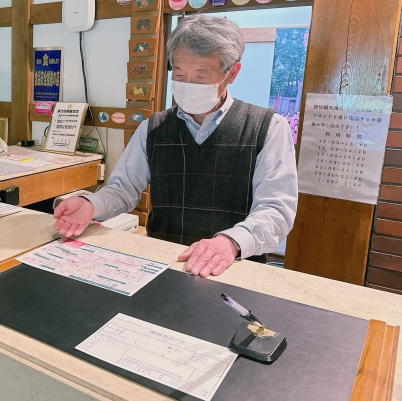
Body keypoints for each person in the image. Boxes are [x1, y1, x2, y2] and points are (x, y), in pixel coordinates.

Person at [53, 14, 298, 277]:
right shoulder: (154, 127)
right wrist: (91, 204)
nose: (187, 85)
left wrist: (230, 242)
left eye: (201, 77)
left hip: (232, 269)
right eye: (180, 74)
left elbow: (276, 210)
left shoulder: (267, 128)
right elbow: (123, 189)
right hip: (160, 265)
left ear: (232, 73)